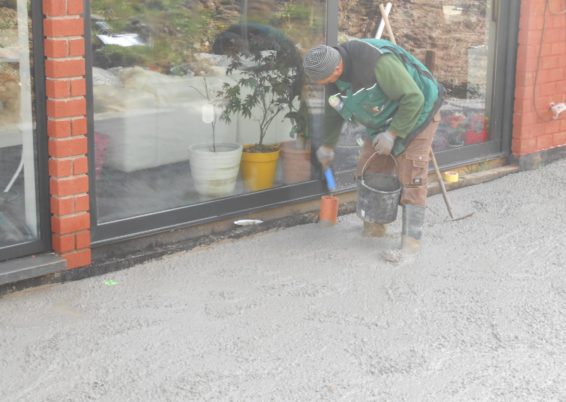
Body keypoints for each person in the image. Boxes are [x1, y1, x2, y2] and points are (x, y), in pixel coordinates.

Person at [303, 39, 443, 262]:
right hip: (382, 117)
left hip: (418, 113)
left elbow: (413, 98)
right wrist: (327, 146)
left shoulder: (377, 63)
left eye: (323, 80)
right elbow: (333, 112)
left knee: (412, 175)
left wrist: (392, 134)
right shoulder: (331, 76)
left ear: (337, 68)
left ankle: (410, 246)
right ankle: (375, 228)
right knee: (370, 167)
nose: (322, 84)